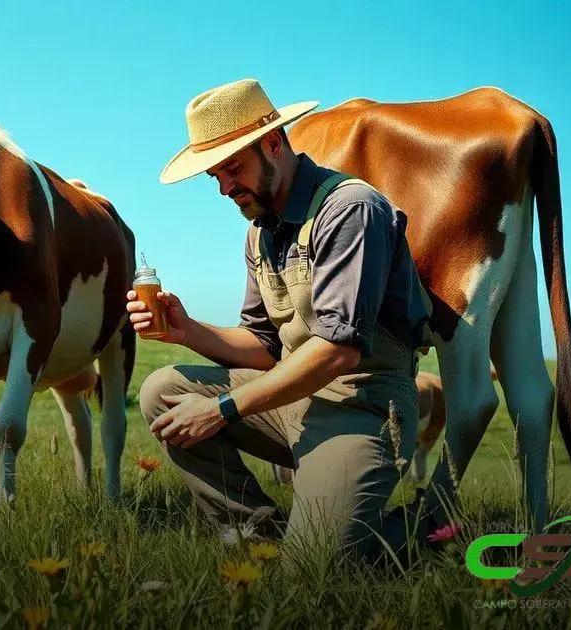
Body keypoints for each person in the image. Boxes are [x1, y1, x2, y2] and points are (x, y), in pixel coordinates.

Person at [129, 78, 431, 563]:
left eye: (233, 169)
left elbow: (339, 349)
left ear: (274, 143)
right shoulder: (259, 231)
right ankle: (255, 534)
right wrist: (188, 332)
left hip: (362, 408)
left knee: (316, 571)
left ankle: (429, 525)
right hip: (291, 400)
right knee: (162, 390)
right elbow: (265, 345)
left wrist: (223, 408)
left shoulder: (349, 210)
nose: (226, 188)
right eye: (215, 177)